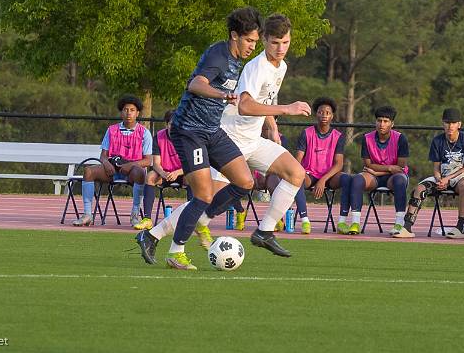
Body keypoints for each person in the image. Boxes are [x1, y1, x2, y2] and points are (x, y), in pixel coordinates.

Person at [142, 14, 311, 259]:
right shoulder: (256, 67)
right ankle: (157, 234)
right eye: (275, 43)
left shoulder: (281, 66)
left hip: (252, 140)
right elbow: (245, 106)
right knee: (203, 197)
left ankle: (264, 232)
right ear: (264, 40)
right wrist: (286, 109)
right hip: (230, 137)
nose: (281, 48)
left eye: (285, 42)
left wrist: (272, 125)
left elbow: (265, 99)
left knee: (296, 173)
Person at [135, 7, 261, 270]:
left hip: (212, 130)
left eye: (255, 42)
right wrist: (222, 95)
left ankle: (193, 221)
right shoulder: (219, 54)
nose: (252, 46)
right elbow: (195, 84)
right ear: (234, 36)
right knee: (202, 194)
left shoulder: (238, 61)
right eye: (249, 40)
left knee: (245, 181)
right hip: (190, 131)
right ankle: (175, 251)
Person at [393, 107, 464, 239]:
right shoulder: (437, 141)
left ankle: (460, 227)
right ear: (443, 124)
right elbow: (436, 167)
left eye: (453, 123)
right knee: (419, 189)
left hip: (460, 176)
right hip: (443, 176)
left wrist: (448, 180)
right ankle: (407, 227)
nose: (450, 126)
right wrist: (439, 179)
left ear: (459, 124)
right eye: (447, 122)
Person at [72, 95, 152, 227]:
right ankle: (87, 214)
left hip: (132, 170)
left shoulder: (144, 133)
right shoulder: (111, 130)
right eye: (126, 110)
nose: (128, 113)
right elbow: (103, 155)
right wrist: (106, 163)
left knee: (140, 173)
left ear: (137, 113)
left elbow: (148, 161)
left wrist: (130, 164)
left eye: (132, 110)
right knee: (88, 171)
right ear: (121, 112)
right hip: (113, 168)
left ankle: (135, 215)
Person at [340, 106, 408, 235]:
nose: (382, 124)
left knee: (400, 180)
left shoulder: (400, 138)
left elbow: (399, 168)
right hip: (374, 176)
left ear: (392, 124)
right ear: (375, 122)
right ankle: (355, 223)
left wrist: (378, 171)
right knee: (357, 179)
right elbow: (368, 164)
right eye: (379, 120)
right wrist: (388, 168)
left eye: (386, 121)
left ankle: (399, 224)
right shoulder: (367, 138)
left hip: (393, 177)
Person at [293, 97, 348, 234]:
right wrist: (297, 172)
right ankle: (305, 221)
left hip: (329, 176)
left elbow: (339, 163)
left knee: (348, 179)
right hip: (309, 174)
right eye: (321, 112)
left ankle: (342, 222)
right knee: (296, 178)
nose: (324, 115)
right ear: (316, 114)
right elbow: (298, 159)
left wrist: (323, 180)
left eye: (327, 113)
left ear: (332, 116)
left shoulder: (338, 136)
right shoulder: (306, 133)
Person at [134, 110, 193, 231]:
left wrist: (177, 172)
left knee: (192, 177)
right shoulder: (159, 136)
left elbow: (190, 164)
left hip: (182, 172)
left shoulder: (187, 138)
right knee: (150, 176)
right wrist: (163, 173)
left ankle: (192, 219)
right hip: (164, 172)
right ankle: (147, 219)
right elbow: (156, 163)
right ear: (167, 124)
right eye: (172, 124)